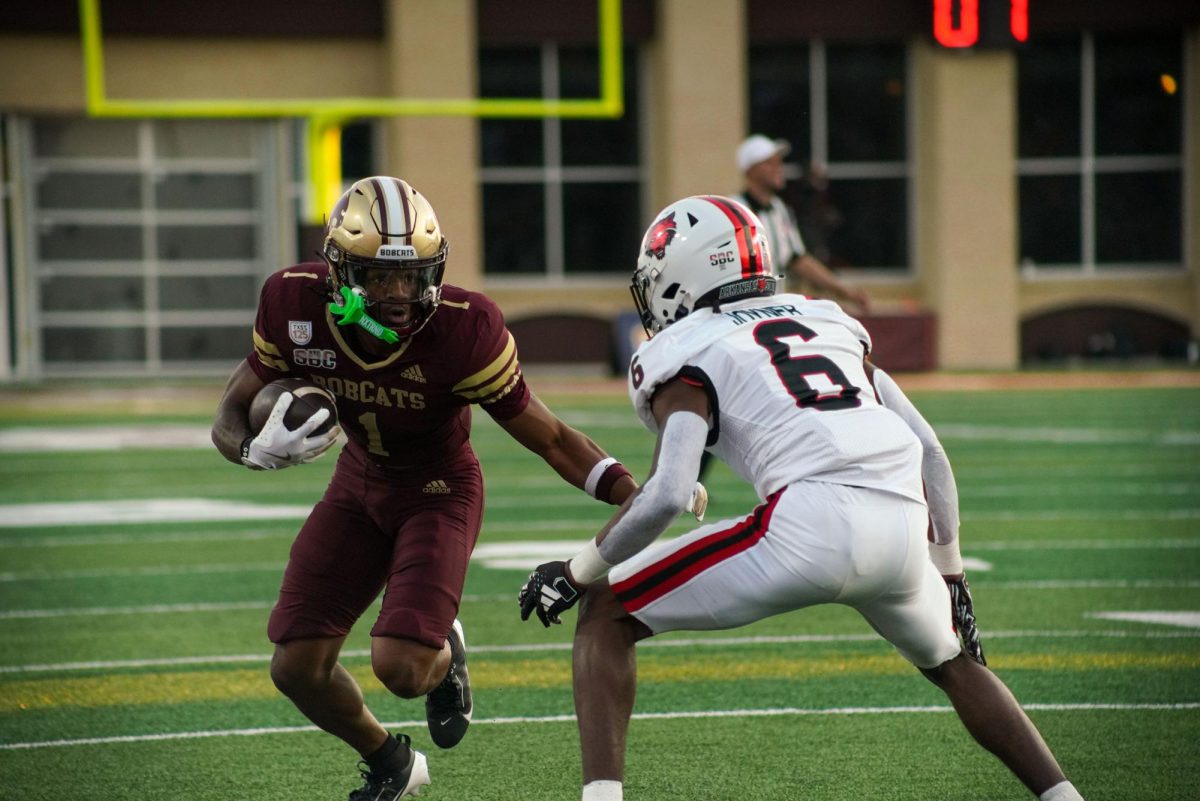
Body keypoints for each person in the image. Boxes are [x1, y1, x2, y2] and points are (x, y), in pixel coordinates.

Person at [518, 195, 1083, 801]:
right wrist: (951, 576)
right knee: (953, 662)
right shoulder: (828, 321)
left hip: (808, 524)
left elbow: (669, 493)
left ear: (685, 275)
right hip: (900, 524)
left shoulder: (686, 349)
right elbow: (932, 455)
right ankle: (1062, 796)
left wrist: (577, 570)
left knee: (604, 607)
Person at [212, 176, 667, 799]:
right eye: (379, 277)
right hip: (358, 484)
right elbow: (233, 407)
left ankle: (446, 652)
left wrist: (634, 497)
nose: (400, 295)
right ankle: (389, 762)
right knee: (296, 668)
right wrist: (249, 450)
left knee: (401, 669)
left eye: (414, 275)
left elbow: (551, 437)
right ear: (340, 271)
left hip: (438, 488)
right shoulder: (292, 302)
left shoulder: (463, 327)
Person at [734, 134, 870, 315]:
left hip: (773, 309)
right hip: (743, 313)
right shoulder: (735, 209)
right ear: (750, 170)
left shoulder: (779, 209)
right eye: (769, 163)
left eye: (779, 162)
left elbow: (796, 258)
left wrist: (844, 291)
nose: (779, 168)